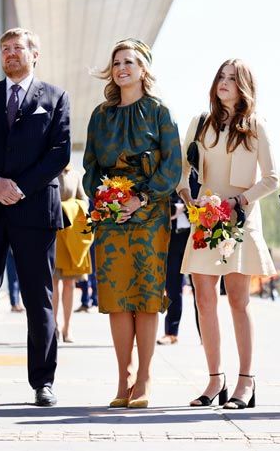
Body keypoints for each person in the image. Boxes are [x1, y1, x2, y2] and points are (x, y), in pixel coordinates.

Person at [0, 27, 71, 407]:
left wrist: (18, 186)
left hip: (35, 210)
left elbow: (59, 153)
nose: (10, 54)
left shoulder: (55, 98)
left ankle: (43, 382)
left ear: (34, 54)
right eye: (4, 49)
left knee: (39, 300)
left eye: (17, 48)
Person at [83, 38, 181, 408]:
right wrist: (104, 198)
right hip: (111, 217)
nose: (123, 67)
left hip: (150, 215)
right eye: (117, 62)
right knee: (117, 297)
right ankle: (122, 378)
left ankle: (144, 378)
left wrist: (140, 198)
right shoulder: (100, 115)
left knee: (146, 296)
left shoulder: (160, 111)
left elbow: (172, 165)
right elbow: (90, 165)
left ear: (143, 70)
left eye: (130, 62)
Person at [177, 59, 278, 410]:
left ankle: (246, 382)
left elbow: (272, 179)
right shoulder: (199, 123)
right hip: (205, 218)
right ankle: (214, 379)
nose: (224, 82)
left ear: (244, 86)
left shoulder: (255, 126)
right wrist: (186, 194)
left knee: (238, 300)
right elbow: (182, 166)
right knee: (204, 299)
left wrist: (238, 200)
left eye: (232, 79)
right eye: (221, 76)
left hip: (241, 218)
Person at [53, 164, 91, 343]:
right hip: (53, 235)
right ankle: (52, 327)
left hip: (70, 235)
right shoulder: (49, 169)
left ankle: (67, 328)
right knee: (52, 283)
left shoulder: (75, 175)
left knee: (69, 284)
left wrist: (67, 207)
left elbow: (84, 201)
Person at [157, 192, 201, 345]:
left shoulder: (198, 174)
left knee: (201, 289)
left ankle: (205, 335)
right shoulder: (169, 174)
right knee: (172, 288)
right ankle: (170, 332)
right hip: (172, 239)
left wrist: (185, 207)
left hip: (197, 238)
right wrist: (176, 208)